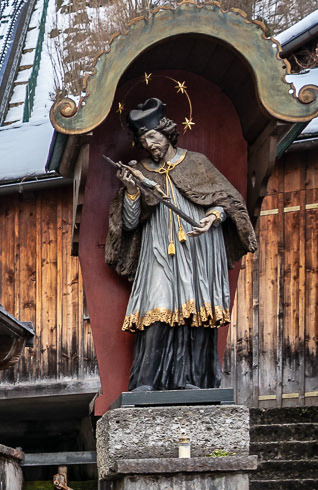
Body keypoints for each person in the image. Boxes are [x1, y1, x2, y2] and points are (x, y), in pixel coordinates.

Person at [105, 98, 257, 391]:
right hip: (159, 247)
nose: (149, 145)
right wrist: (133, 193)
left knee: (196, 305)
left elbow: (229, 201)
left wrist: (213, 216)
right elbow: (129, 223)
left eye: (152, 136)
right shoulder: (141, 172)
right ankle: (146, 382)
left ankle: (195, 381)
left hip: (200, 246)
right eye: (143, 139)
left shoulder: (197, 163)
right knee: (157, 304)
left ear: (166, 131)